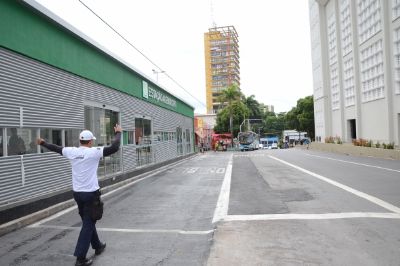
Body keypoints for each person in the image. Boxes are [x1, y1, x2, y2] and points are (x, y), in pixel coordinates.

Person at [37, 124, 122, 266]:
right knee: (88, 224)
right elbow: (114, 147)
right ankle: (80, 258)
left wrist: (43, 143)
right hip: (90, 195)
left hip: (77, 194)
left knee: (89, 220)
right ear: (90, 142)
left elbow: (56, 148)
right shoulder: (94, 152)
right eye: (92, 141)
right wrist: (118, 133)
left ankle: (98, 246)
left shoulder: (71, 151)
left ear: (80, 141)